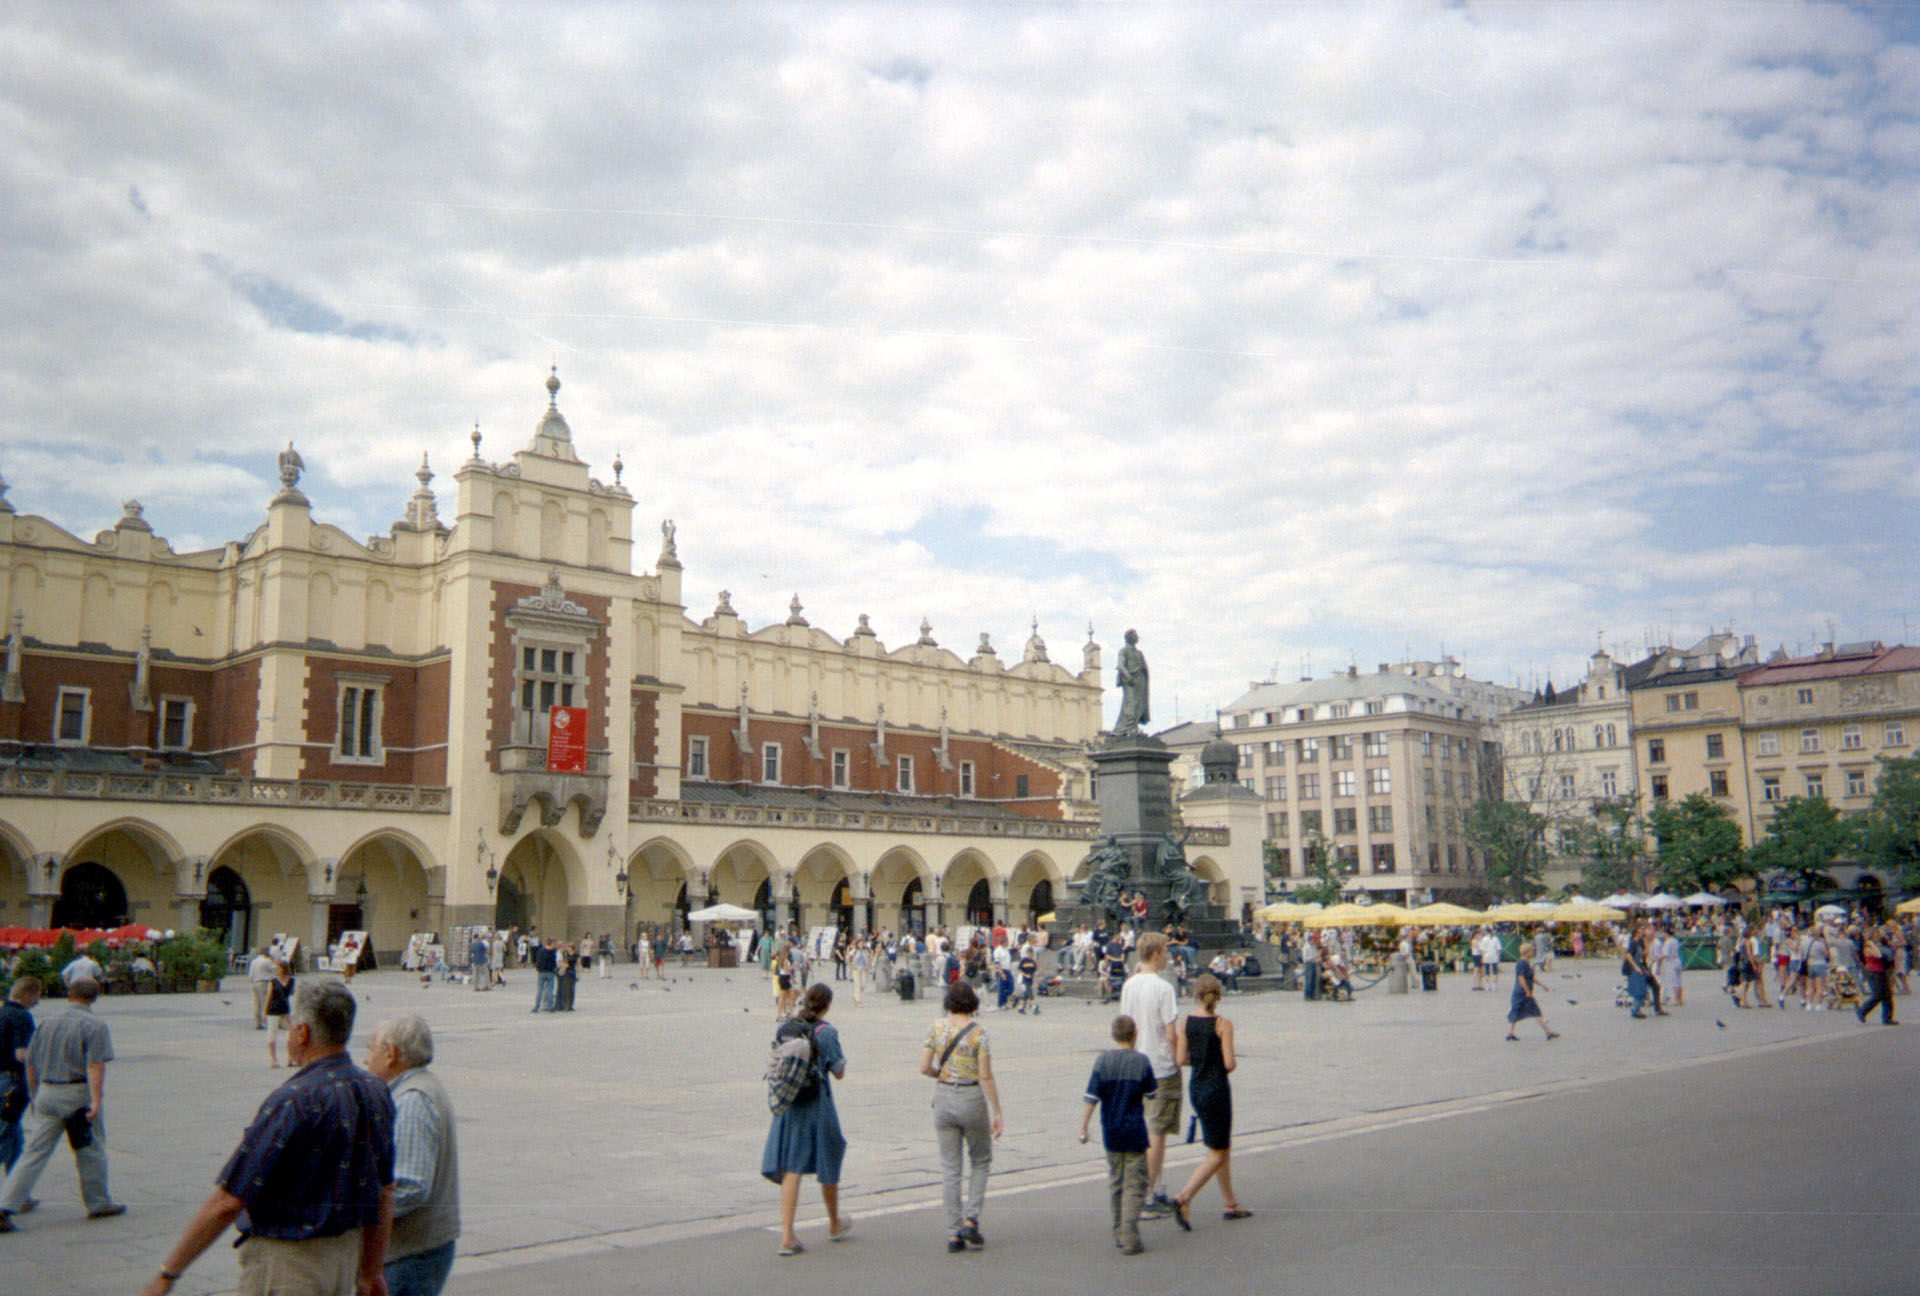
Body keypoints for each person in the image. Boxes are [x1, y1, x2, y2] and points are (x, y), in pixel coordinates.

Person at [141, 980, 394, 1296]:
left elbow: (228, 1201)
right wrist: (371, 1271)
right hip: (344, 1260)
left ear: (302, 1033)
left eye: (290, 1025)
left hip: (289, 1267)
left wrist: (167, 1274)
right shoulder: (376, 1090)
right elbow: (385, 1189)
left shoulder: (295, 1100)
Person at [0, 976, 122, 1232]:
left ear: (69, 995)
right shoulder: (94, 1025)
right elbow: (94, 1064)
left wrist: (35, 1096)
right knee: (89, 1148)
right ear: (94, 997)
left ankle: (5, 1204)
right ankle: (98, 1202)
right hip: (76, 1092)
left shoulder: (47, 1022)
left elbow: (30, 1063)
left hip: (47, 1091)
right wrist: (96, 1099)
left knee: (34, 1152)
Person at [366, 1015, 461, 1296]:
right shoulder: (422, 1086)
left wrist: (360, 1215)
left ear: (391, 1054)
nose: (366, 1059)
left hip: (411, 1253)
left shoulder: (411, 1101)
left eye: (371, 1049)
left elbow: (410, 1186)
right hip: (422, 1248)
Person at [763, 984, 850, 1256]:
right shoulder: (828, 1032)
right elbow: (839, 1072)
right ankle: (834, 1223)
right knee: (829, 1156)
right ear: (827, 1005)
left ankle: (787, 1235)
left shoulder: (789, 1026)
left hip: (790, 1102)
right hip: (817, 1103)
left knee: (792, 1166)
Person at [919, 981, 1003, 1253]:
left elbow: (923, 1067)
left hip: (943, 1098)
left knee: (950, 1168)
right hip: (971, 1098)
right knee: (980, 1159)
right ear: (972, 1003)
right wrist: (997, 1111)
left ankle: (953, 1233)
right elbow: (985, 1075)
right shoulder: (979, 1033)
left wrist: (940, 1075)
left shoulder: (936, 1027)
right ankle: (971, 1218)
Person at [1169, 974, 1250, 1228]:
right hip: (1217, 1088)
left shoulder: (1187, 1021)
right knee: (1217, 1151)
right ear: (1218, 997)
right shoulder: (1223, 1024)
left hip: (1196, 1086)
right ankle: (1184, 1196)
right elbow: (1229, 1063)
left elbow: (1181, 1059)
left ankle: (1230, 1202)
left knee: (1220, 1144)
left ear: (1196, 995)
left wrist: (1201, 1060)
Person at [1078, 1014, 1156, 1255]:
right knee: (1135, 1182)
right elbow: (1152, 1094)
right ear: (1135, 1035)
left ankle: (1118, 1230)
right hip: (1134, 1130)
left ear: (1113, 1035)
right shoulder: (1141, 1061)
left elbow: (1091, 1098)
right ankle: (1130, 1235)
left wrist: (1083, 1127)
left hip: (1110, 1130)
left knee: (1116, 1180)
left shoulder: (1102, 1062)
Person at [1117, 932, 1180, 1219]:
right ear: (1155, 954)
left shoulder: (1128, 986)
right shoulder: (1164, 988)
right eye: (1165, 952)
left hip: (1134, 1064)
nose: (1167, 956)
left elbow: (1125, 1026)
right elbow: (1171, 1034)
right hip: (1160, 1067)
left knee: (1141, 1130)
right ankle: (1148, 1195)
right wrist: (1178, 1060)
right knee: (1157, 1133)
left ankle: (1140, 1190)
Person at [1, 977, 41, 1176]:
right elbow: (22, 1055)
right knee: (8, 1132)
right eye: (36, 998)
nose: (36, 1003)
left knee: (13, 1133)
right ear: (26, 995)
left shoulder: (1, 1012)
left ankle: (15, 1189)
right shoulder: (21, 1016)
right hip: (12, 1081)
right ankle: (13, 1191)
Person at [1505, 946, 1560, 1042]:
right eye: (1531, 951)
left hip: (1521, 993)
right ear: (1526, 952)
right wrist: (1527, 990)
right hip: (1522, 993)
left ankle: (1510, 1033)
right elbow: (1521, 978)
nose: (1533, 953)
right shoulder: (1522, 964)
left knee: (1516, 1011)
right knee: (1535, 1011)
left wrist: (1542, 985)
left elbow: (1531, 978)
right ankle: (1548, 1032)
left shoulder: (1526, 963)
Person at [1856, 923, 1899, 1026]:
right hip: (1873, 972)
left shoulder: (1878, 944)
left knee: (1887, 996)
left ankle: (1888, 1018)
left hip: (1881, 971)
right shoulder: (1868, 946)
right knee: (1877, 995)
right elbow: (1878, 955)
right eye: (1876, 934)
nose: (1878, 935)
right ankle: (1862, 1010)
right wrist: (1872, 944)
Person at [265, 961, 295, 1068]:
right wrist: (264, 1013)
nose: (277, 970)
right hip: (273, 1011)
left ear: (284, 969)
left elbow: (292, 993)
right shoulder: (273, 981)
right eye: (276, 968)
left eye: (278, 968)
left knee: (290, 1036)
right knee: (271, 1036)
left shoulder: (291, 980)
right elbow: (268, 996)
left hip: (285, 1011)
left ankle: (290, 1058)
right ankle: (273, 1059)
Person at [249, 947, 277, 1028]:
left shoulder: (254, 961)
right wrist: (273, 960)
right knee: (265, 1003)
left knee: (256, 1004)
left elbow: (250, 974)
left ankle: (257, 1023)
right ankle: (268, 1022)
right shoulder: (266, 961)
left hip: (254, 982)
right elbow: (275, 969)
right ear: (266, 953)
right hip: (263, 982)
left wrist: (251, 982)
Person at [531, 938, 557, 1013]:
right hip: (550, 972)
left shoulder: (540, 951)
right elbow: (554, 963)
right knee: (550, 990)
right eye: (553, 944)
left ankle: (536, 1007)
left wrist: (538, 969)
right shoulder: (553, 952)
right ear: (551, 944)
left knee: (539, 990)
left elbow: (537, 961)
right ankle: (550, 1006)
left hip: (541, 972)